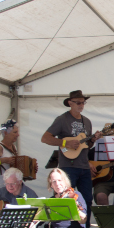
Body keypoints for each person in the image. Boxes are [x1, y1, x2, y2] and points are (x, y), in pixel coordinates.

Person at [41, 90, 100, 219]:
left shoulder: (87, 122)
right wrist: (65, 143)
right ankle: (67, 227)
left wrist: (92, 140)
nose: (81, 105)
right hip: (68, 167)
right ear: (70, 103)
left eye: (83, 102)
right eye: (78, 102)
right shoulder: (62, 120)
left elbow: (86, 146)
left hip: (84, 167)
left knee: (87, 200)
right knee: (67, 198)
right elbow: (45, 138)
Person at [0, 122, 34, 190]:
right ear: (5, 133)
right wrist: (3, 160)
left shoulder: (14, 147)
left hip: (10, 188)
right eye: (15, 132)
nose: (18, 135)